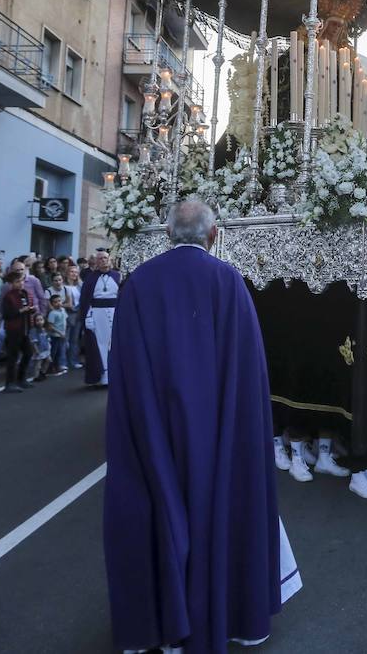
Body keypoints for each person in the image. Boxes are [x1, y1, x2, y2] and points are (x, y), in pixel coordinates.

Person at [104, 201, 300, 652]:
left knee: (152, 505)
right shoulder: (228, 281)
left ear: (167, 234)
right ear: (213, 235)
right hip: (216, 434)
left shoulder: (138, 283)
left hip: (155, 429)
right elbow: (249, 375)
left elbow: (126, 366)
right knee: (219, 508)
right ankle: (225, 615)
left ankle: (157, 625)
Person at [80, 250, 120, 387]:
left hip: (115, 313)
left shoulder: (118, 276)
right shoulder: (91, 278)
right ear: (96, 262)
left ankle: (117, 374)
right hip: (97, 314)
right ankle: (104, 375)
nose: (103, 260)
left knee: (115, 344)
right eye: (100, 258)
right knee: (100, 345)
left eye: (105, 258)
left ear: (110, 259)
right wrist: (88, 316)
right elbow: (86, 299)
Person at [0, 269, 35, 393]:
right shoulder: (8, 296)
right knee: (12, 357)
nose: (20, 283)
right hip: (13, 330)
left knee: (28, 353)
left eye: (21, 281)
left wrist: (31, 310)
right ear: (11, 283)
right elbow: (7, 314)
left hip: (25, 328)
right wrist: (21, 311)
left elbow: (26, 308)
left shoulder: (24, 293)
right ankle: (9, 383)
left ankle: (21, 378)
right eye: (17, 281)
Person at [47, 293, 69, 376]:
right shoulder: (52, 313)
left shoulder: (63, 310)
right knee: (53, 352)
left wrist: (64, 332)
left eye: (59, 301)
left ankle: (57, 367)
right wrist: (59, 332)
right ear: (52, 304)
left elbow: (65, 321)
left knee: (60, 352)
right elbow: (50, 326)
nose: (58, 303)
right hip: (55, 336)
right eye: (55, 302)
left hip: (62, 335)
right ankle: (50, 368)